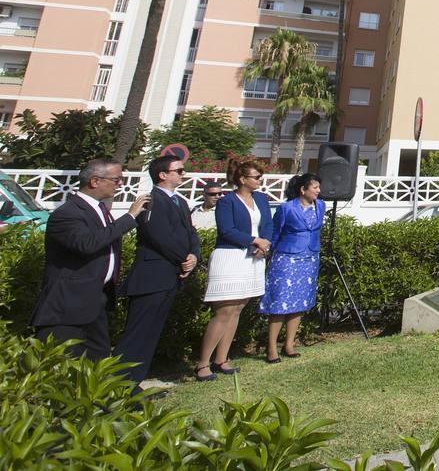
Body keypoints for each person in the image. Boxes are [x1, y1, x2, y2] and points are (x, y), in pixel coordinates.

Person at [31, 160, 150, 360]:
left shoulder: (100, 210)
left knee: (97, 363)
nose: (119, 184)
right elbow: (87, 244)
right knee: (58, 364)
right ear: (95, 181)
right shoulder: (67, 213)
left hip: (95, 300)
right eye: (115, 179)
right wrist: (130, 217)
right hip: (68, 305)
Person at [116, 154, 202, 386]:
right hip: (151, 277)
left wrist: (194, 255)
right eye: (179, 171)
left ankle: (135, 384)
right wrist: (182, 257)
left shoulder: (180, 201)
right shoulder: (151, 200)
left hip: (170, 276)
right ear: (163, 175)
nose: (183, 174)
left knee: (150, 336)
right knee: (137, 336)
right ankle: (119, 386)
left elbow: (190, 233)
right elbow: (158, 235)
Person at [195, 159, 272, 381]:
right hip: (231, 256)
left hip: (255, 257)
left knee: (238, 307)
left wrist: (265, 244)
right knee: (224, 310)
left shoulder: (261, 199)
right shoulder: (227, 201)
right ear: (242, 179)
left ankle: (222, 358)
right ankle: (202, 363)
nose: (260, 181)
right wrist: (254, 240)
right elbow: (227, 230)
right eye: (256, 177)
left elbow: (268, 224)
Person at [259, 173, 324, 363]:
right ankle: (271, 347)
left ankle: (289, 344)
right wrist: (269, 253)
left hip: (310, 257)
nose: (318, 191)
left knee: (299, 303)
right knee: (280, 302)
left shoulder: (320, 206)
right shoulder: (286, 208)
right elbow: (276, 231)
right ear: (302, 190)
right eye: (315, 187)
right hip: (287, 258)